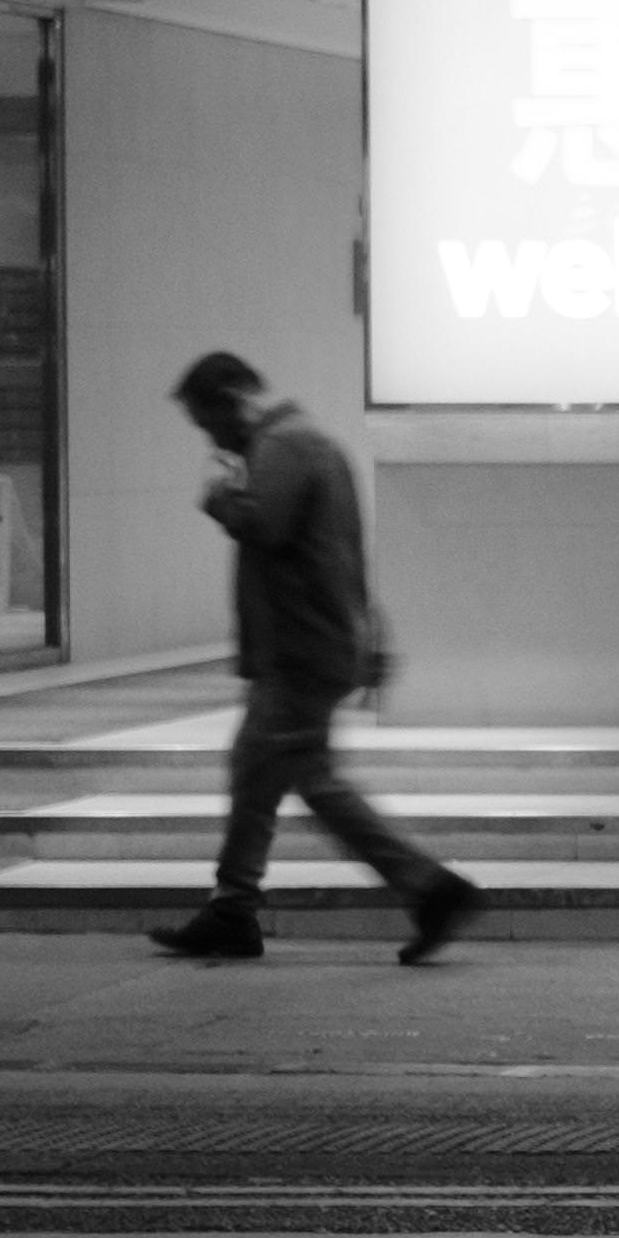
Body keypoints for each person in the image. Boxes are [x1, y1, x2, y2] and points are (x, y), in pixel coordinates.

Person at [148, 348, 476, 966]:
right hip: (310, 645)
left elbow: (263, 525)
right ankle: (233, 908)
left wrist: (219, 494)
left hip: (299, 649)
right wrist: (369, 633)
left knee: (308, 781)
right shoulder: (306, 444)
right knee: (260, 773)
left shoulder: (285, 446)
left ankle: (430, 887)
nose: (210, 438)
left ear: (233, 400)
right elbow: (339, 554)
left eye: (207, 421)